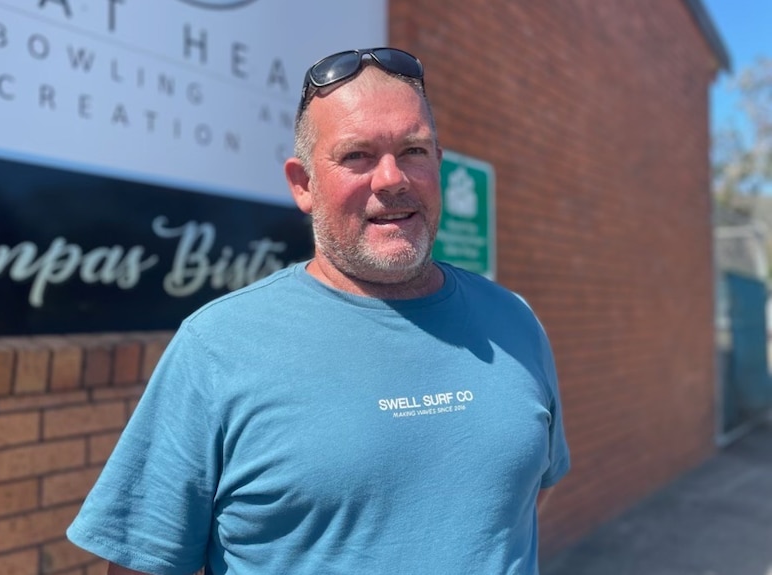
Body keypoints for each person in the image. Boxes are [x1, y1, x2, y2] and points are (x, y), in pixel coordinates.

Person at [67, 46, 570, 575]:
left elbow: (519, 503)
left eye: (414, 150)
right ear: (303, 184)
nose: (391, 178)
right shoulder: (216, 346)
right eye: (357, 155)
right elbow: (143, 562)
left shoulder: (514, 321)